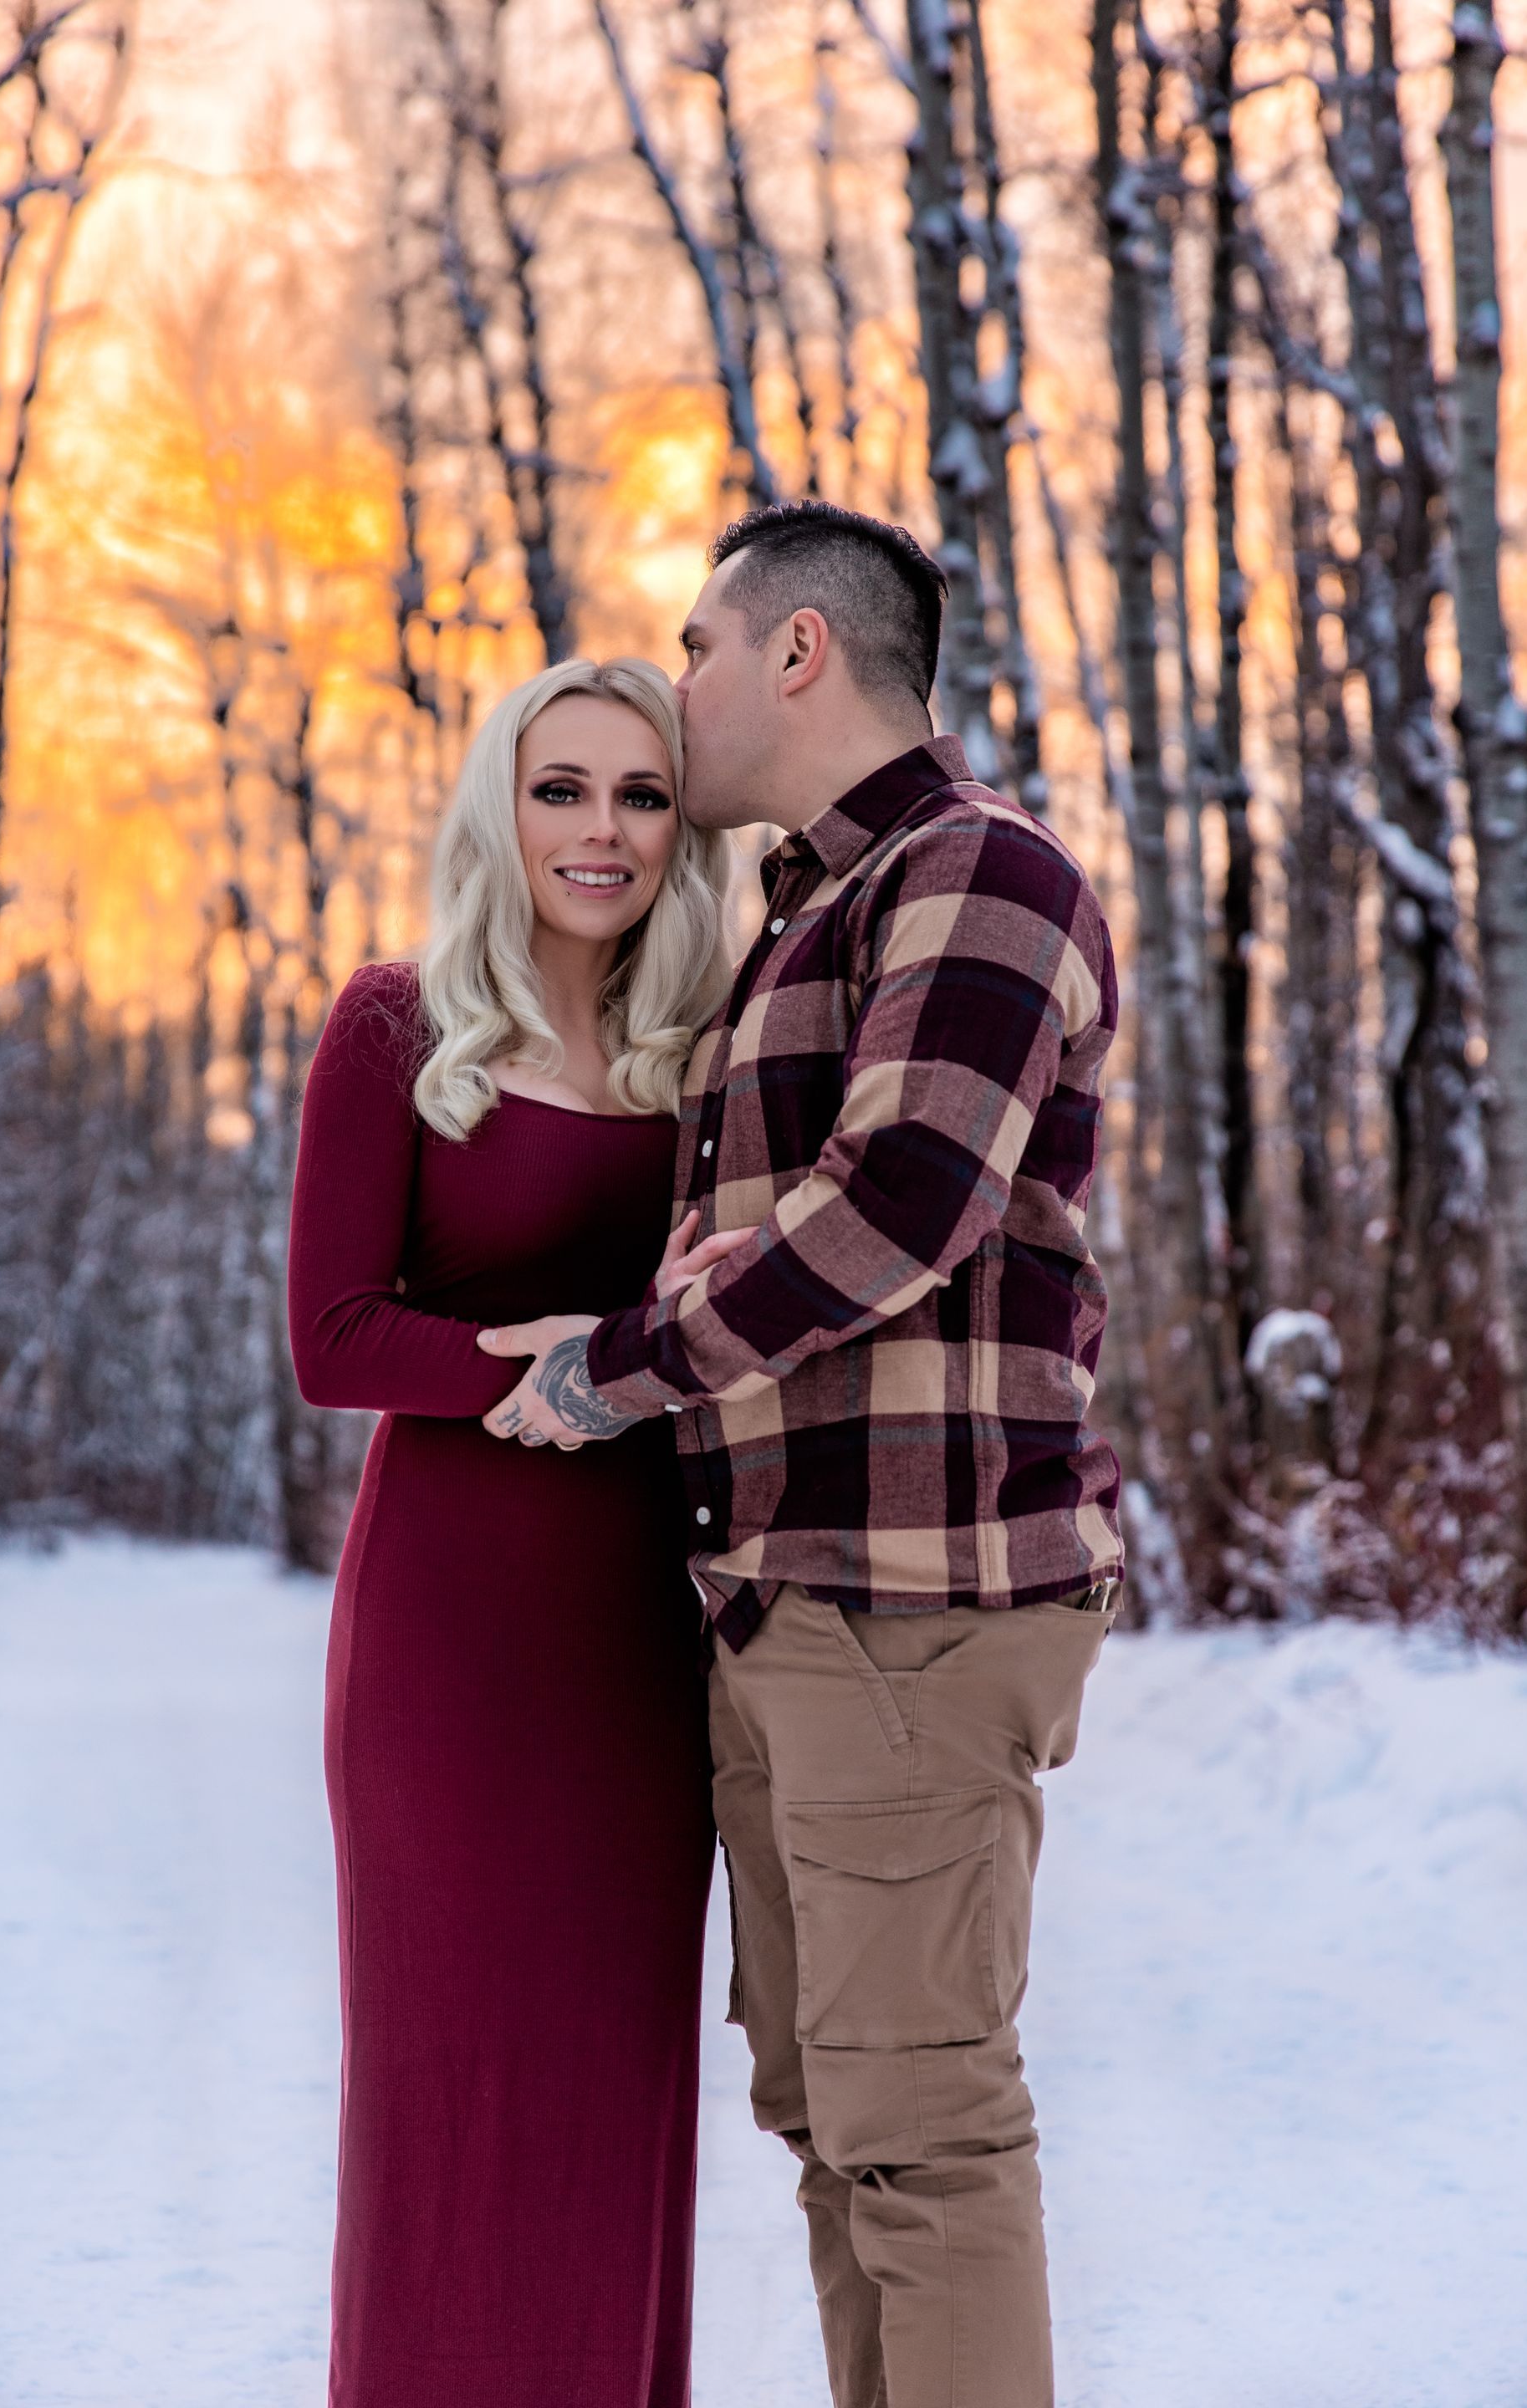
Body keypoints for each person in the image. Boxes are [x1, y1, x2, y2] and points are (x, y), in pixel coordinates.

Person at [480, 502, 1126, 2408]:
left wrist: (617, 1371)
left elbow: (901, 1200)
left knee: (922, 2132)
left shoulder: (978, 870)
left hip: (913, 1603)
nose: (675, 685)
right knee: (839, 2128)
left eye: (696, 646)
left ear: (797, 650)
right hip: (792, 1601)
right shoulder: (809, 915)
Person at [287, 656, 750, 2408]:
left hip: (641, 1634)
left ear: (682, 825)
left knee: (613, 2096)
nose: (600, 828)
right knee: (447, 2095)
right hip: (452, 1635)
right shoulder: (398, 1025)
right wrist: (550, 1360)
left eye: (642, 792)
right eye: (562, 788)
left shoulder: (713, 1056)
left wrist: (653, 1346)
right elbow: (335, 1340)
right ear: (504, 806)